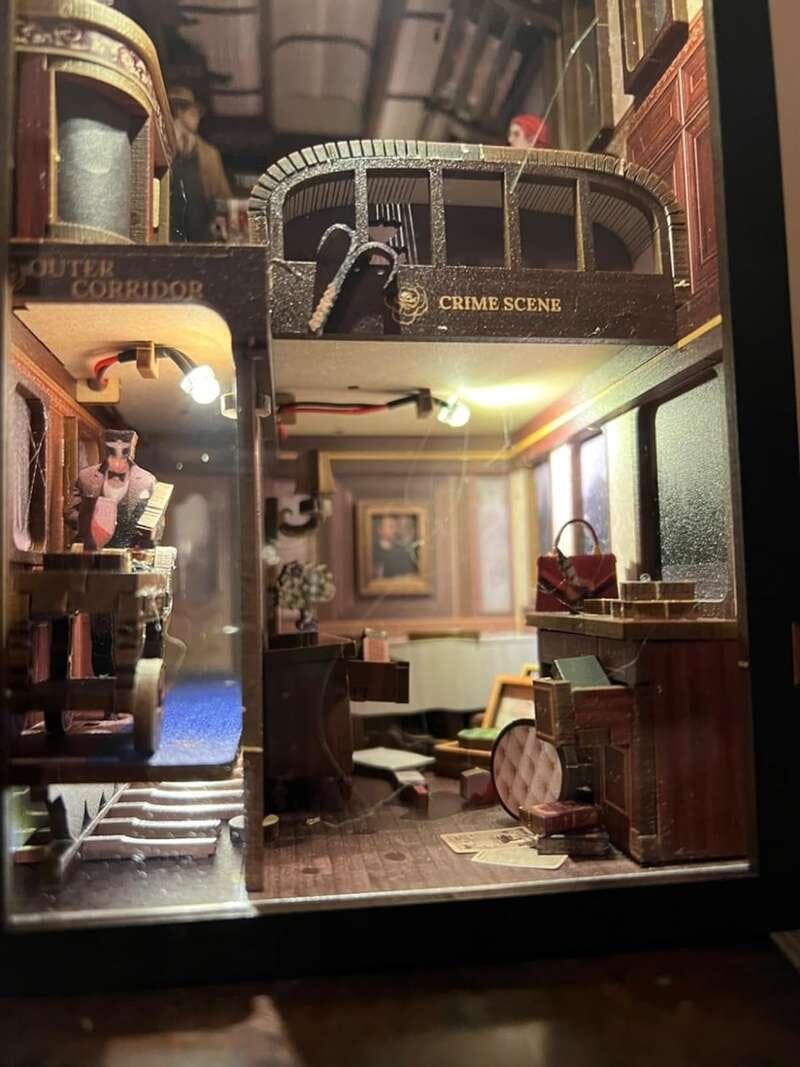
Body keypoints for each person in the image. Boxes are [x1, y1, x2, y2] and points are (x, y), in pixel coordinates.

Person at [168, 86, 232, 241]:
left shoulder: (209, 154)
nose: (197, 117)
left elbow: (223, 196)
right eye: (192, 112)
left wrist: (220, 219)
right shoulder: (162, 147)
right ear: (178, 112)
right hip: (169, 233)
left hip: (202, 236)